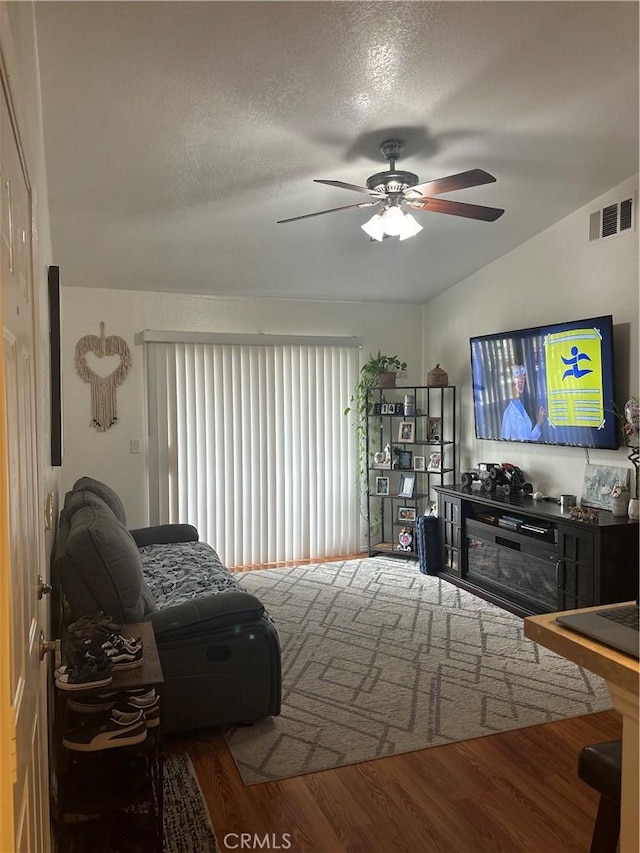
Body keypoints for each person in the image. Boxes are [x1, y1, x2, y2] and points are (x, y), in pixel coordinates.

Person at [500, 364, 545, 441]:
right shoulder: (508, 413)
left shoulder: (522, 406)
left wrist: (539, 424)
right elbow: (504, 445)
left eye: (522, 372)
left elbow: (528, 439)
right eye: (516, 373)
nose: (521, 377)